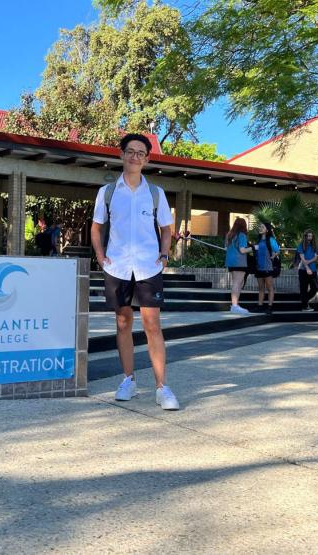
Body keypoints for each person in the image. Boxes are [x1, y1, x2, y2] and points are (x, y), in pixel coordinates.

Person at [91, 133, 179, 410]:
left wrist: (164, 255)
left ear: (147, 158)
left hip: (147, 267)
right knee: (123, 323)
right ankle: (128, 380)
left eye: (140, 153)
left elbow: (167, 228)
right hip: (117, 266)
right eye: (130, 151)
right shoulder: (107, 192)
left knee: (153, 325)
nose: (134, 157)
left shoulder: (155, 194)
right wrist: (101, 256)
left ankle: (162, 387)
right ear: (121, 154)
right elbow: (96, 227)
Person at [224, 217, 254, 314]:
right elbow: (242, 250)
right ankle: (235, 306)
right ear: (243, 225)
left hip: (230, 262)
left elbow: (226, 248)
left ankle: (235, 304)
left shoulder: (229, 235)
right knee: (238, 283)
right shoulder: (242, 235)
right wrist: (253, 248)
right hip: (239, 262)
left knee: (238, 283)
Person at [253, 222, 280, 314]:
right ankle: (260, 306)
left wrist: (273, 256)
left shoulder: (271, 239)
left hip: (268, 267)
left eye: (262, 227)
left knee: (269, 287)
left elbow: (277, 250)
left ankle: (270, 307)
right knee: (260, 287)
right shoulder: (259, 240)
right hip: (259, 267)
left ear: (267, 230)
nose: (260, 228)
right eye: (260, 227)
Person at [296, 229, 318, 312]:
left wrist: (308, 262)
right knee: (303, 288)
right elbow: (302, 258)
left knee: (315, 288)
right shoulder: (301, 245)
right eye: (308, 236)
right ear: (305, 236)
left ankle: (304, 300)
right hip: (303, 270)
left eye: (311, 236)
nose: (310, 237)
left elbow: (316, 257)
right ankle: (304, 306)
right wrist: (307, 267)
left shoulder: (314, 245)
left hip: (313, 269)